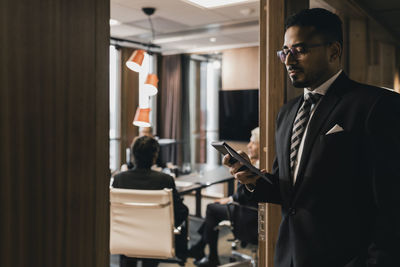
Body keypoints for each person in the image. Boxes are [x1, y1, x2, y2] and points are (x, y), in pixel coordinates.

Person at [224, 8, 400, 267]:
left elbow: (391, 206)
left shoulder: (376, 105)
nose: (288, 60)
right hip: (289, 256)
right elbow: (289, 192)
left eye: (299, 50)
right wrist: (252, 181)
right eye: (285, 52)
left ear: (334, 51)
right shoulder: (285, 114)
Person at [112, 136, 189, 267]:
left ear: (133, 155)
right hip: (154, 239)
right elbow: (181, 211)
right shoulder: (165, 180)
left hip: (126, 238)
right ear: (154, 156)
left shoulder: (119, 179)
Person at [189, 127, 260, 267]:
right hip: (248, 210)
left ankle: (211, 256)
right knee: (215, 208)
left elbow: (244, 196)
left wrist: (231, 199)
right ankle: (200, 246)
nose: (248, 146)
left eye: (253, 143)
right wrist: (230, 199)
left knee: (211, 209)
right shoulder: (261, 162)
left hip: (248, 215)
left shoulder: (257, 167)